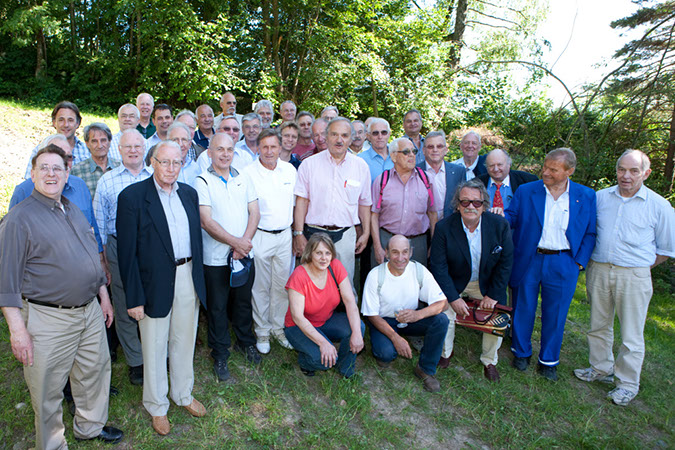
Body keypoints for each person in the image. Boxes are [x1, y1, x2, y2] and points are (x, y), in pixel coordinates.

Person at [1, 144, 123, 448]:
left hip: (89, 309)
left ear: (67, 172)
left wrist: (104, 297)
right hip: (49, 317)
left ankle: (90, 426)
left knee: (94, 371)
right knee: (47, 388)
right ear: (32, 174)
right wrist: (18, 331)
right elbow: (6, 281)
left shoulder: (71, 207)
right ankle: (53, 443)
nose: (51, 173)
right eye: (44, 167)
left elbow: (91, 257)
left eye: (57, 168)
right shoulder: (19, 218)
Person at [117, 140, 208, 436]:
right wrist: (134, 297)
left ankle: (182, 394)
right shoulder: (132, 197)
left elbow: (197, 240)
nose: (171, 168)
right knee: (155, 346)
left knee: (184, 339)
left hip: (187, 275)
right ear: (152, 162)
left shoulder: (190, 195)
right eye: (164, 162)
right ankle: (157, 406)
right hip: (152, 282)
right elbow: (126, 255)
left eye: (176, 162)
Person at [574, 150, 674, 406]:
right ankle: (600, 368)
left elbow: (665, 250)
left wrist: (636, 267)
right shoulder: (600, 198)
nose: (626, 176)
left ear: (646, 173)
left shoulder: (659, 206)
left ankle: (627, 384)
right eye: (621, 169)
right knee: (598, 324)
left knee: (631, 334)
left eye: (633, 171)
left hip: (634, 275)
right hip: (599, 270)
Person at [505, 148, 596, 381]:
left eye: (553, 169)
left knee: (556, 313)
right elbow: (510, 219)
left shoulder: (585, 196)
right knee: (523, 306)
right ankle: (521, 352)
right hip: (529, 258)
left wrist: (578, 263)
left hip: (564, 261)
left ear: (569, 171)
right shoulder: (527, 191)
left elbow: (590, 233)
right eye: (544, 167)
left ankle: (548, 361)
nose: (545, 172)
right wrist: (499, 215)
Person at [194, 133, 262, 382]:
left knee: (243, 302)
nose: (225, 154)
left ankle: (246, 342)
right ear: (209, 152)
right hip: (215, 260)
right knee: (218, 308)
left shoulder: (243, 177)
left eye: (229, 149)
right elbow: (206, 221)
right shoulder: (201, 181)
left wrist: (243, 244)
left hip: (244, 255)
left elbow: (254, 212)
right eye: (219, 149)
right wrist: (235, 243)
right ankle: (220, 352)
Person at [430, 179, 514, 381]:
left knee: (497, 315)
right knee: (444, 312)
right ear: (457, 205)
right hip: (454, 281)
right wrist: (453, 297)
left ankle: (489, 360)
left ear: (484, 205)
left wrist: (493, 295)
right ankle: (444, 353)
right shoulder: (444, 227)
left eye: (476, 202)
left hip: (485, 283)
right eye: (465, 202)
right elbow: (439, 267)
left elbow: (506, 262)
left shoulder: (500, 226)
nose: (470, 207)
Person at [93, 129, 153, 386]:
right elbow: (99, 223)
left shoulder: (156, 176)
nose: (133, 150)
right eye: (127, 146)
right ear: (119, 150)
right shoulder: (107, 181)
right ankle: (136, 361)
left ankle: (157, 354)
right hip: (119, 247)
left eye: (137, 146)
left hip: (151, 247)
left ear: (144, 149)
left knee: (154, 300)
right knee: (125, 301)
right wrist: (104, 259)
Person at [362, 235, 449, 392]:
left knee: (441, 320)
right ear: (387, 253)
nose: (400, 258)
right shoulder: (375, 275)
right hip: (384, 321)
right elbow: (371, 315)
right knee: (386, 354)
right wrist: (395, 339)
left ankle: (425, 369)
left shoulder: (418, 270)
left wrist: (418, 315)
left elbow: (443, 303)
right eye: (395, 252)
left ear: (411, 252)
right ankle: (389, 344)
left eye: (405, 252)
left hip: (411, 318)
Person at [293, 117, 372, 289]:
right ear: (326, 137)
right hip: (314, 234)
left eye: (344, 135)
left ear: (351, 139)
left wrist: (366, 233)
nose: (339, 140)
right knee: (312, 286)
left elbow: (365, 203)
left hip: (345, 236)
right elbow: (301, 201)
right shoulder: (309, 164)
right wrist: (298, 234)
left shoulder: (361, 166)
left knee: (344, 285)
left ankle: (346, 316)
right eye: (334, 134)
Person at [242, 129, 296, 354]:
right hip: (260, 235)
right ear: (258, 148)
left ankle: (278, 327)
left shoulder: (290, 170)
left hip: (285, 235)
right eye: (265, 147)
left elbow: (295, 203)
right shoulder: (247, 173)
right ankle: (262, 330)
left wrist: (296, 233)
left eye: (274, 146)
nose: (269, 151)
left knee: (282, 285)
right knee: (261, 286)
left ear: (280, 147)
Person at [284, 233, 365, 377]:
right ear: (310, 254)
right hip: (298, 327)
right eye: (319, 253)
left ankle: (345, 369)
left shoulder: (335, 266)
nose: (324, 258)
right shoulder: (299, 275)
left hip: (325, 320)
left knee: (358, 327)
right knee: (322, 361)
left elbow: (350, 301)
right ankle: (305, 360)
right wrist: (323, 343)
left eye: (328, 253)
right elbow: (298, 318)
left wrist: (357, 334)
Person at [371, 138, 438, 266]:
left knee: (415, 283)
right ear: (394, 156)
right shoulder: (382, 180)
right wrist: (377, 246)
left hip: (417, 243)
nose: (412, 155)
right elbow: (374, 215)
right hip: (387, 240)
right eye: (406, 152)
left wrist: (433, 245)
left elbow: (433, 213)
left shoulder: (427, 180)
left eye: (414, 151)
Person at [23, 101, 89, 178]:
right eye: (61, 120)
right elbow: (30, 181)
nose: (66, 125)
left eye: (70, 120)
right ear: (54, 122)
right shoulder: (39, 150)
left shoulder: (88, 151)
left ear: (77, 123)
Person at [417, 131, 464, 220]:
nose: (435, 150)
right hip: (422, 227)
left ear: (445, 150)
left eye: (439, 146)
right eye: (431, 147)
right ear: (424, 150)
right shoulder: (415, 171)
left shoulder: (458, 171)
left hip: (450, 226)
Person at [72, 122, 121, 197]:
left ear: (110, 142)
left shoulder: (120, 167)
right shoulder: (77, 171)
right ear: (87, 144)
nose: (100, 145)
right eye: (94, 141)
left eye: (103, 140)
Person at [358, 118, 394, 183]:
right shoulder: (360, 160)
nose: (380, 136)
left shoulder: (398, 156)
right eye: (375, 133)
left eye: (384, 132)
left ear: (389, 134)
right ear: (368, 136)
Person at [168, 122, 201, 186]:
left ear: (189, 144)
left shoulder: (196, 168)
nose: (180, 144)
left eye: (184, 140)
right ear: (168, 142)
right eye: (175, 139)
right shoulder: (161, 168)